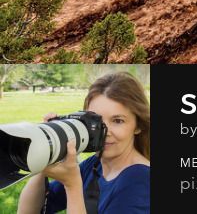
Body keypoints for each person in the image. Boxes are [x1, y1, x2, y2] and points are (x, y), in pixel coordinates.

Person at [17, 72, 150, 214]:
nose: (104, 132)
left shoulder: (141, 180)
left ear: (138, 126)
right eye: (96, 121)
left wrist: (72, 186)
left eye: (117, 121)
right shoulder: (94, 165)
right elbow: (28, 211)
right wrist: (47, 153)